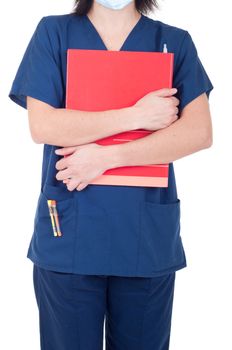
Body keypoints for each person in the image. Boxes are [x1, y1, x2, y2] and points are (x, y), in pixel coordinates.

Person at [8, 0, 214, 349]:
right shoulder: (54, 33)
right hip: (70, 234)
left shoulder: (173, 42)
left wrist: (107, 157)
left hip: (144, 239)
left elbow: (199, 133)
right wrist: (135, 116)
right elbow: (43, 125)